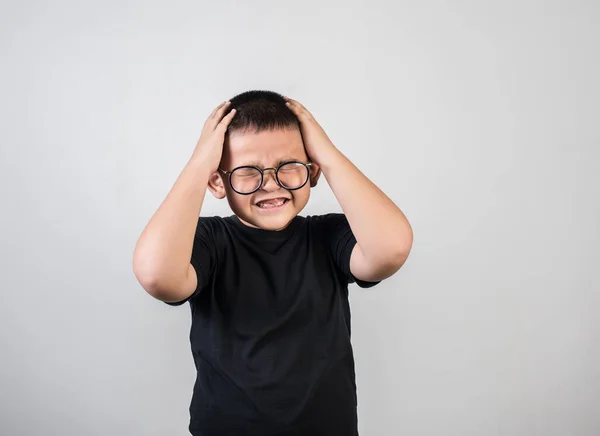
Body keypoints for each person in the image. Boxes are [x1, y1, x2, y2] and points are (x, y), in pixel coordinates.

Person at [132, 90, 413, 435]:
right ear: (217, 181)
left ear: (312, 172)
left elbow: (392, 249)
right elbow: (157, 276)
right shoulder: (207, 241)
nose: (270, 184)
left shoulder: (329, 236)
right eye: (248, 171)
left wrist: (327, 154)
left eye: (288, 167)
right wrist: (197, 165)